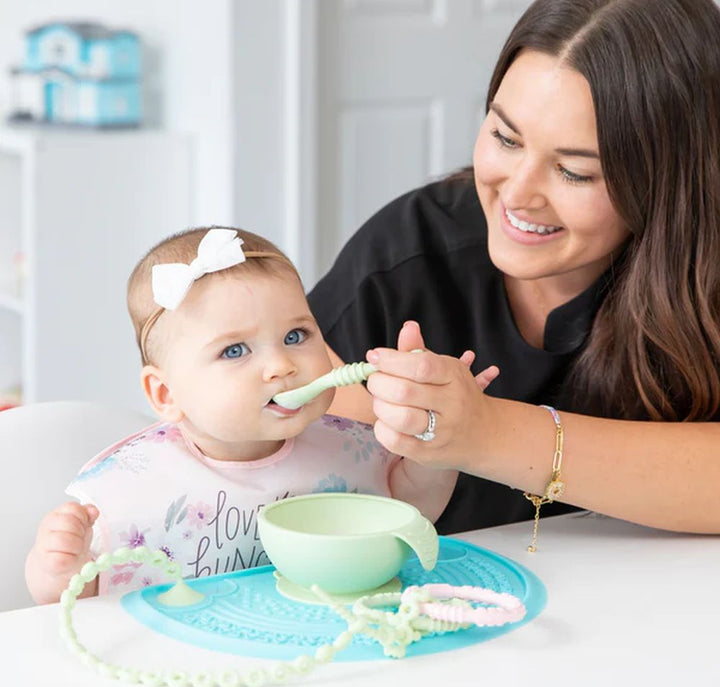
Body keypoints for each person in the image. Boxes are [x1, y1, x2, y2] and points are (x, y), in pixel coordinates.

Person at [308, 0, 720, 542]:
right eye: (505, 138)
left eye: (574, 172)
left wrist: (481, 432)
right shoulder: (408, 253)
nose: (518, 195)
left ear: (671, 181)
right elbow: (286, 435)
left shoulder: (703, 277)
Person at [24, 227, 472, 604]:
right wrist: (61, 569)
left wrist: (438, 445)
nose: (281, 365)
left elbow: (413, 511)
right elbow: (77, 603)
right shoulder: (129, 486)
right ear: (165, 393)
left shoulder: (349, 447)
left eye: (296, 335)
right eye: (234, 350)